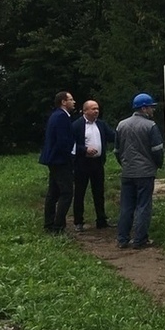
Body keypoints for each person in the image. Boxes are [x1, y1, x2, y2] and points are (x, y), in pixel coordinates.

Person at [114, 92, 164, 249]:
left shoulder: (121, 125)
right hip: (145, 172)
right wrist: (157, 165)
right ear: (144, 108)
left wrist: (125, 164)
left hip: (127, 172)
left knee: (126, 206)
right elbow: (157, 150)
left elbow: (116, 150)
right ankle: (140, 239)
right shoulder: (150, 126)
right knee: (143, 206)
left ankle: (122, 239)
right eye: (151, 107)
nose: (153, 110)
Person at [71, 99, 114, 232]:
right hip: (82, 163)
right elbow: (71, 145)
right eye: (93, 109)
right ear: (85, 111)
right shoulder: (76, 125)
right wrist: (84, 150)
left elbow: (112, 136)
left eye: (97, 109)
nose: (96, 111)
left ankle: (101, 220)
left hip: (97, 163)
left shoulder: (101, 124)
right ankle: (78, 221)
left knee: (99, 192)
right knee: (80, 192)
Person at [38, 91, 76, 234]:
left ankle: (49, 224)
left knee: (53, 193)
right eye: (71, 100)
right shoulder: (61, 117)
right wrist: (70, 157)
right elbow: (63, 141)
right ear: (63, 102)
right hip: (60, 160)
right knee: (66, 193)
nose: (74, 102)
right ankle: (58, 226)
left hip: (53, 159)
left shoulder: (55, 115)